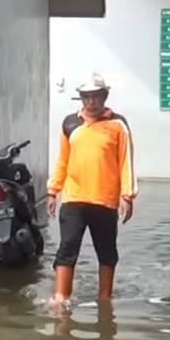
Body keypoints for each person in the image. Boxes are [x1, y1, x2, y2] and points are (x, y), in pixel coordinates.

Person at [47, 74, 137, 304]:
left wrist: (127, 195)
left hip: (104, 201)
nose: (91, 102)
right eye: (87, 97)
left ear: (104, 97)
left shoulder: (118, 124)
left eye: (96, 97)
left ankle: (105, 298)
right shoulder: (70, 123)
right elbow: (62, 161)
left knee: (107, 253)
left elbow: (126, 161)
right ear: (81, 99)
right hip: (73, 199)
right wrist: (52, 190)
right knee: (67, 248)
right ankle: (60, 298)